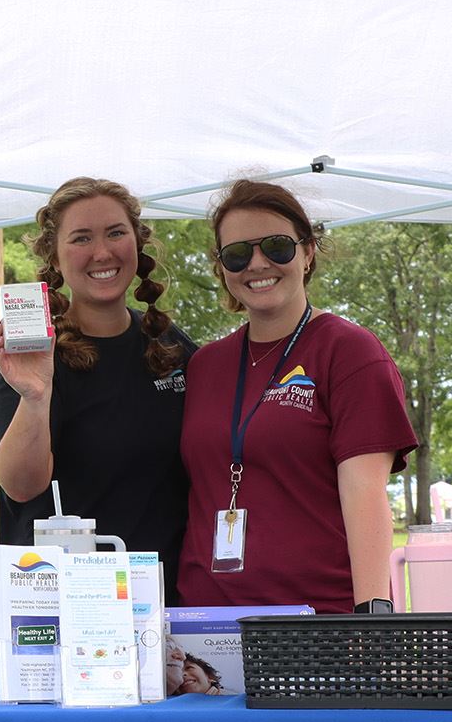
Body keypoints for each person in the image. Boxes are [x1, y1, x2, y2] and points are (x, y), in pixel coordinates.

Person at [176, 179, 418, 614]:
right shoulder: (204, 365)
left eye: (277, 246)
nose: (257, 263)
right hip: (206, 623)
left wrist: (371, 616)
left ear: (307, 252)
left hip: (316, 625)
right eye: (237, 253)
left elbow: (366, 494)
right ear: (221, 268)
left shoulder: (350, 352)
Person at [0, 177, 197, 601]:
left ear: (137, 243)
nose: (102, 252)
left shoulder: (174, 348)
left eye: (116, 233)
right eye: (81, 238)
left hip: (158, 606)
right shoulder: (33, 359)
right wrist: (35, 395)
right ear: (56, 258)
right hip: (60, 605)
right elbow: (21, 486)